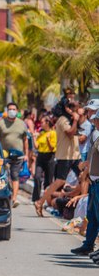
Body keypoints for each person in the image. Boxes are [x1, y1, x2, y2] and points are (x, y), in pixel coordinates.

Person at [34, 101, 81, 217]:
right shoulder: (63, 120)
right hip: (65, 156)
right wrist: (75, 120)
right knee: (60, 181)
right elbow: (70, 133)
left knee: (84, 177)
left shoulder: (68, 119)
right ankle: (40, 202)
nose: (73, 110)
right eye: (70, 108)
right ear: (66, 109)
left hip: (75, 155)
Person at [71, 109, 99, 256]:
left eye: (97, 119)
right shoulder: (96, 135)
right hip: (94, 183)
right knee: (93, 217)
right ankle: (88, 245)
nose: (95, 122)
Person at [0, 102, 28, 208]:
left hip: (18, 155)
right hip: (3, 156)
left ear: (17, 111)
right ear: (6, 110)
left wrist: (26, 154)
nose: (12, 111)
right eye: (10, 109)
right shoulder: (0, 124)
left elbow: (25, 139)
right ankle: (2, 197)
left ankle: (14, 199)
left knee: (15, 176)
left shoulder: (22, 124)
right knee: (4, 176)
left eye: (14, 109)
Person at [31, 115, 57, 203]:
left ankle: (46, 199)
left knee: (48, 180)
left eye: (42, 122)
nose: (40, 124)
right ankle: (36, 198)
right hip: (41, 156)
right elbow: (36, 146)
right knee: (37, 177)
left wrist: (48, 140)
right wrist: (34, 137)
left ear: (47, 123)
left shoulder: (53, 133)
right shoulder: (41, 133)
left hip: (50, 157)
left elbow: (52, 148)